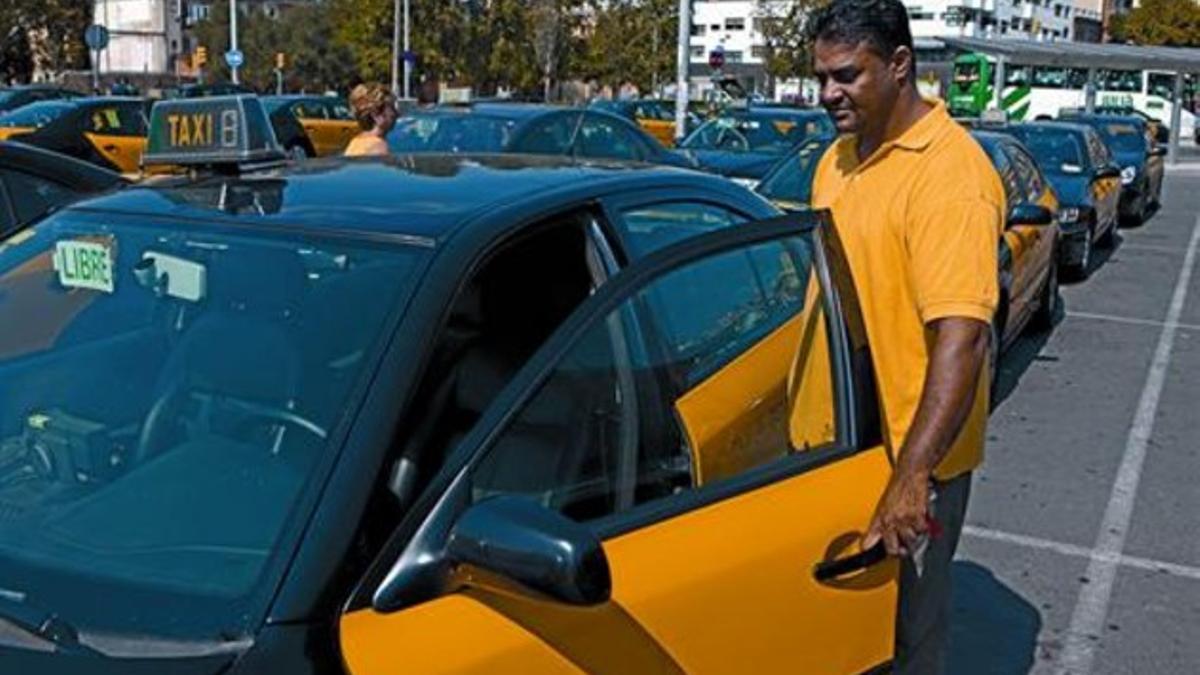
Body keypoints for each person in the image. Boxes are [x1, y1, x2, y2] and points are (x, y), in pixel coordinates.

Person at [805, 1, 1004, 673]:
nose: (829, 93)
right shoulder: (836, 160)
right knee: (836, 633)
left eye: (846, 76)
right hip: (834, 450)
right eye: (822, 78)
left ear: (899, 65)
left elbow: (963, 338)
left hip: (908, 460)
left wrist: (911, 476)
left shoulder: (951, 177)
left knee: (904, 640)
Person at [344, 82, 397, 157]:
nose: (397, 114)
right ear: (375, 115)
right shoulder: (379, 147)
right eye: (392, 108)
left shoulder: (355, 142)